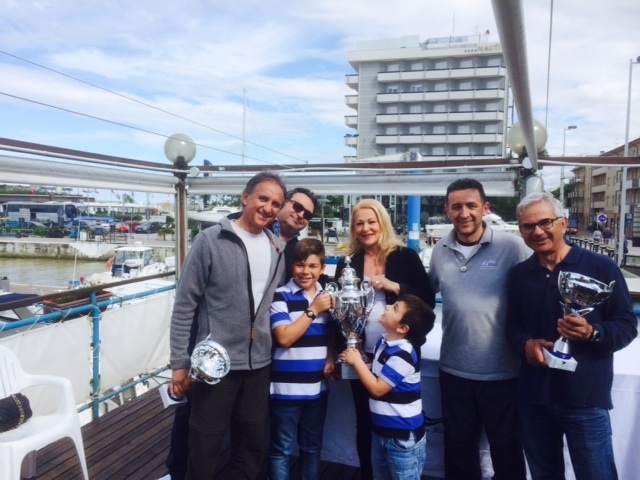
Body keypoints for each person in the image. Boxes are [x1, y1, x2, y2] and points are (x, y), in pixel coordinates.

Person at [165, 185, 320, 480]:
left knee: (251, 446)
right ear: (246, 197)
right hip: (215, 363)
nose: (268, 207)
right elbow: (185, 304)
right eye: (263, 199)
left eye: (274, 203)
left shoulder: (279, 248)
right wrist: (180, 362)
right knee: (204, 444)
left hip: (259, 363)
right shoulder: (211, 240)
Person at [506, 192, 637, 480]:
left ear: (563, 222)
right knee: (543, 475)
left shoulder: (601, 267)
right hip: (534, 397)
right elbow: (512, 327)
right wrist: (525, 344)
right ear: (521, 231)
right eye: (528, 226)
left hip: (585, 398)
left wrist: (593, 332)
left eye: (545, 222)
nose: (537, 231)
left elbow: (627, 325)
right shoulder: (519, 275)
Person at [428, 178, 529, 480]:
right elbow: (422, 296)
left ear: (485, 208)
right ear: (447, 210)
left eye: (471, 205)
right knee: (458, 452)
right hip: (454, 371)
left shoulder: (513, 248)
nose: (464, 213)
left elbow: (538, 289)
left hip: (504, 373)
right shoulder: (439, 251)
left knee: (507, 451)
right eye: (456, 206)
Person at [334, 198, 435, 479]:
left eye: (371, 221)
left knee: (398, 419)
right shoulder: (348, 261)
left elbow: (427, 301)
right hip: (361, 356)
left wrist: (396, 286)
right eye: (359, 223)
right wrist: (339, 351)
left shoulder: (405, 256)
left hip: (397, 356)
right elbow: (337, 312)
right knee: (365, 421)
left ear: (382, 223)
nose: (365, 228)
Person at [339, 294, 436, 480]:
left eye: (395, 308)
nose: (388, 306)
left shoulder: (403, 354)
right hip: (381, 433)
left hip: (402, 439)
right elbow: (377, 373)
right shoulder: (383, 343)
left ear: (402, 328)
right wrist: (361, 357)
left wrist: (357, 362)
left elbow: (377, 389)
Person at [267, 238, 334, 480]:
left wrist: (331, 357)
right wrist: (313, 309)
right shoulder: (280, 296)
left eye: (313, 266)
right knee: (281, 449)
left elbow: (331, 334)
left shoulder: (328, 297)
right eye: (300, 264)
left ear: (322, 268)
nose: (305, 271)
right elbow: (284, 338)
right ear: (292, 265)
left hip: (317, 389)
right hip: (286, 390)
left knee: (312, 448)